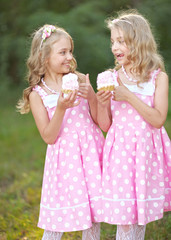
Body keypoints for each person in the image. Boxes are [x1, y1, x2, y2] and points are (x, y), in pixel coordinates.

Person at [17, 24, 104, 240]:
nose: (69, 57)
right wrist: (61, 108)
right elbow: (48, 136)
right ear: (44, 57)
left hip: (91, 155)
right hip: (65, 162)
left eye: (70, 51)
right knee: (57, 221)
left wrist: (91, 95)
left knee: (93, 218)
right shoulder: (37, 94)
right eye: (62, 52)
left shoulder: (80, 80)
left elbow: (97, 119)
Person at [96, 10, 171, 240]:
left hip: (147, 153)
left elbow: (158, 119)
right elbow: (106, 125)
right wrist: (100, 104)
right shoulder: (112, 77)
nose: (115, 47)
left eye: (121, 41)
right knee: (125, 216)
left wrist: (128, 96)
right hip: (121, 153)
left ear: (138, 42)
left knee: (140, 213)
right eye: (112, 42)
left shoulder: (158, 78)